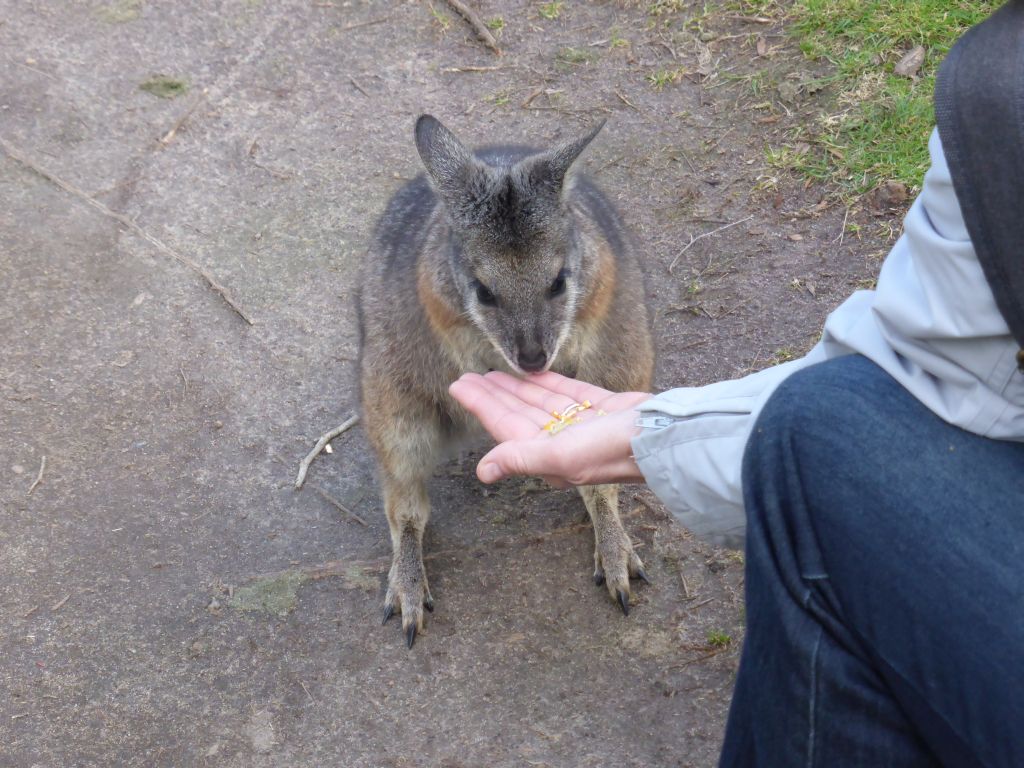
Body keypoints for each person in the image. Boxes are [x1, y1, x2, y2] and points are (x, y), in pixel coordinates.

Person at [449, 3, 1024, 765]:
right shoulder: (998, 90)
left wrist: (661, 436)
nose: (529, 350)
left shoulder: (1001, 90)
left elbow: (890, 402)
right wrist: (661, 433)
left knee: (817, 440)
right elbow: (949, 369)